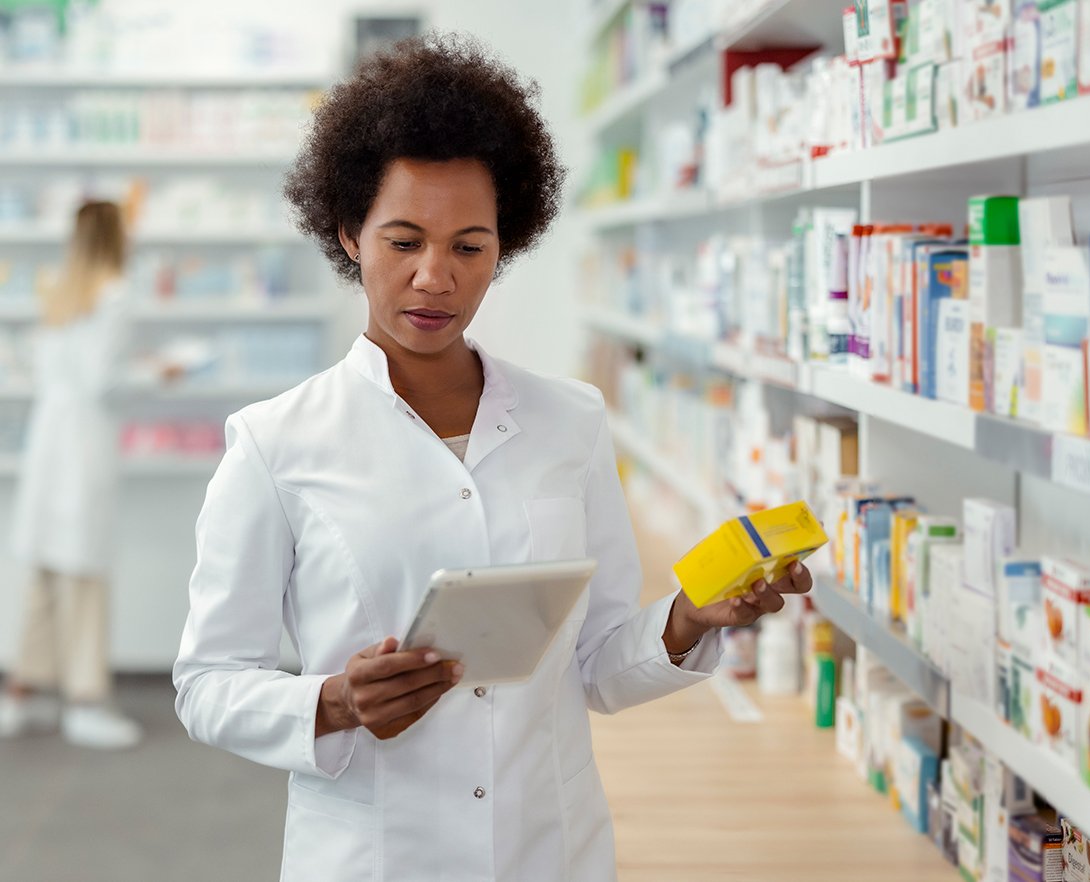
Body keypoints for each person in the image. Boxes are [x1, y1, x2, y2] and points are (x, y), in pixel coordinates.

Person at [172, 33, 814, 881]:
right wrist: (331, 702)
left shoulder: (570, 421)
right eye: (403, 241)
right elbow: (208, 682)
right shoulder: (275, 442)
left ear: (502, 249)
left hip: (548, 846)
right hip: (375, 854)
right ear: (348, 234)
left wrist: (692, 618)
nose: (435, 276)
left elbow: (599, 664)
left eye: (468, 247)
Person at [0, 200, 143, 750]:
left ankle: (20, 691)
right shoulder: (116, 293)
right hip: (82, 444)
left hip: (48, 441)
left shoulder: (59, 294)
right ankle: (84, 701)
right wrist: (157, 374)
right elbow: (102, 382)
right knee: (84, 573)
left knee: (45, 571)